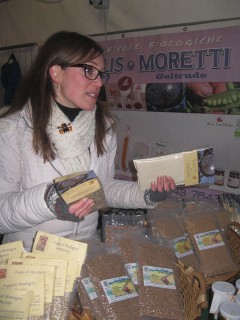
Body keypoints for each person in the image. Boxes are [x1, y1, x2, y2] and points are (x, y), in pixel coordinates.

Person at [0, 31, 176, 251]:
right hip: (30, 261)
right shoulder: (13, 130)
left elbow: (104, 188)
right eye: (89, 70)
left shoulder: (103, 126)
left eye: (101, 73)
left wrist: (147, 194)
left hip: (84, 255)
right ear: (56, 72)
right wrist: (49, 201)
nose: (99, 82)